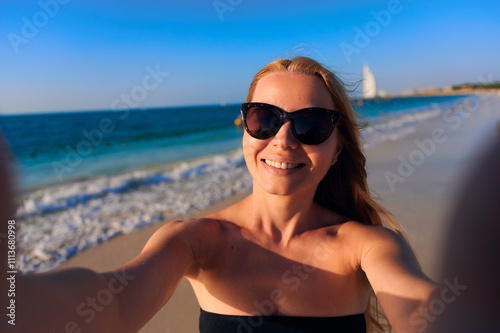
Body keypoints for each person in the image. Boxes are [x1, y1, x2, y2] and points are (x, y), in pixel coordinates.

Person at [14, 57, 437, 333]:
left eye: (310, 125)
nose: (284, 140)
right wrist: (14, 303)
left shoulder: (365, 246)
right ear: (245, 130)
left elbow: (421, 308)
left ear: (337, 147)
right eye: (265, 119)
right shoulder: (196, 241)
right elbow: (113, 303)